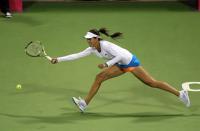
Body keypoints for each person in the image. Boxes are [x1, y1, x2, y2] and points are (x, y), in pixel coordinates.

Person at [51, 28, 190, 112]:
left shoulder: (106, 45)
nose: (88, 42)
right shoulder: (92, 49)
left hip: (130, 62)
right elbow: (76, 55)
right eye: (87, 40)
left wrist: (106, 65)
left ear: (97, 38)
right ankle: (84, 104)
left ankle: (180, 94)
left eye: (90, 39)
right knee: (99, 78)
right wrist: (59, 59)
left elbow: (120, 56)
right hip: (120, 64)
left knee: (152, 83)